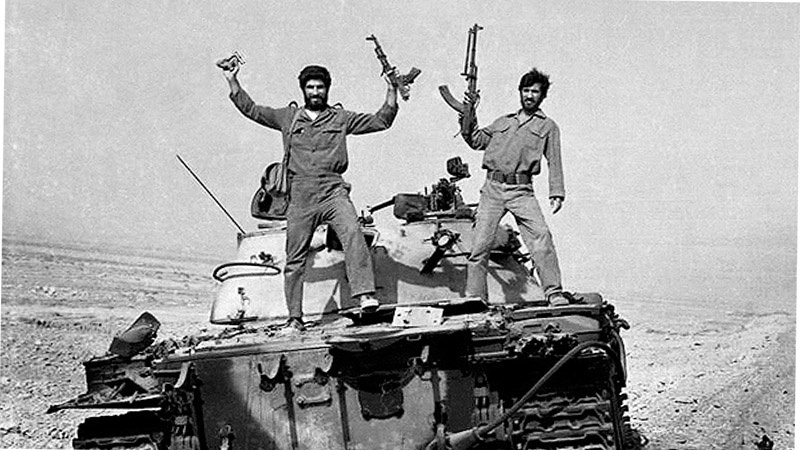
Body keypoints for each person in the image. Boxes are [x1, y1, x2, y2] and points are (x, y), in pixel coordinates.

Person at [221, 61, 400, 330]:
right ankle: (295, 317)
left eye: (320, 87)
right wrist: (232, 80)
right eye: (310, 87)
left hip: (333, 190)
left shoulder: (341, 118)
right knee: (294, 258)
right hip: (301, 194)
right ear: (303, 90)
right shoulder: (288, 117)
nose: (315, 92)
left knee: (353, 234)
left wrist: (391, 90)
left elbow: (381, 121)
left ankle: (365, 295)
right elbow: (252, 110)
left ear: (327, 90)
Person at [460, 67, 568, 306]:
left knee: (541, 237)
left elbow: (555, 160)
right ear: (520, 92)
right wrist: (468, 112)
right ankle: (475, 296)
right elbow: (475, 140)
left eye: (535, 92)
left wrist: (556, 192)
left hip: (522, 191)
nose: (529, 95)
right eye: (526, 90)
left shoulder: (548, 126)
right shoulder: (503, 122)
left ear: (542, 96)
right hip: (492, 189)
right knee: (479, 245)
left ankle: (554, 292)